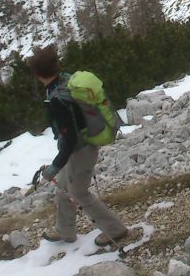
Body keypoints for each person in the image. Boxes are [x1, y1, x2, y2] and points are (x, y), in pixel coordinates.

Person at [30, 46, 129, 246]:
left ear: (38, 74)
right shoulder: (64, 80)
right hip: (79, 147)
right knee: (63, 188)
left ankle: (116, 230)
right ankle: (65, 231)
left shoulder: (58, 99)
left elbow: (70, 139)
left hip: (81, 151)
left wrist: (54, 167)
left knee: (79, 193)